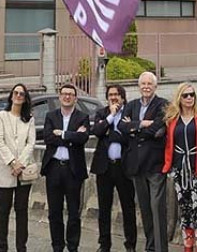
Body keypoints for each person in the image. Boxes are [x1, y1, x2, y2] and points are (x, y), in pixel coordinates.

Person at [119, 71, 169, 252]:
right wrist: (142, 124)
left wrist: (134, 125)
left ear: (155, 87)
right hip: (136, 165)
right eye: (143, 84)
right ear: (138, 86)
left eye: (150, 84)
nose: (146, 86)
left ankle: (161, 248)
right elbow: (121, 127)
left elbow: (158, 128)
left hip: (155, 165)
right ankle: (150, 247)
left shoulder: (163, 104)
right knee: (146, 211)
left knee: (157, 210)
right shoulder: (131, 104)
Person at [162, 83, 197, 252]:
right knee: (185, 209)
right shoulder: (172, 119)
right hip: (179, 170)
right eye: (185, 95)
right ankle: (187, 246)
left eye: (192, 95)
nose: (189, 98)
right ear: (179, 98)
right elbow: (168, 143)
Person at [41, 84, 90, 252]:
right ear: (59, 97)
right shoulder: (50, 116)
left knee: (74, 212)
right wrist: (71, 136)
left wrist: (61, 134)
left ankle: (73, 246)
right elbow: (47, 138)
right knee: (54, 211)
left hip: (73, 169)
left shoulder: (82, 117)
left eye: (71, 94)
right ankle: (57, 246)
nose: (67, 97)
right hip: (54, 168)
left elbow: (82, 138)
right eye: (64, 94)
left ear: (75, 98)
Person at [0, 84, 37, 252]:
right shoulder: (1, 116)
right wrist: (12, 162)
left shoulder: (29, 118)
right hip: (4, 168)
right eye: (16, 93)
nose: (18, 96)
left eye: (22, 94)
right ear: (11, 96)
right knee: (3, 210)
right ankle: (2, 247)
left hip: (23, 171)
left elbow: (31, 143)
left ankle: (21, 247)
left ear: (25, 98)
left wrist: (20, 164)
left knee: (22, 210)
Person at [90, 84, 137, 252]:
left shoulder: (129, 113)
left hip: (123, 167)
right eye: (110, 94)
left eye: (117, 94)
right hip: (105, 167)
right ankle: (104, 245)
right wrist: (111, 117)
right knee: (104, 208)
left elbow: (131, 137)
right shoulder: (102, 113)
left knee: (128, 208)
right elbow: (97, 131)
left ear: (123, 97)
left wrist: (113, 135)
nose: (113, 97)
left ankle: (130, 244)